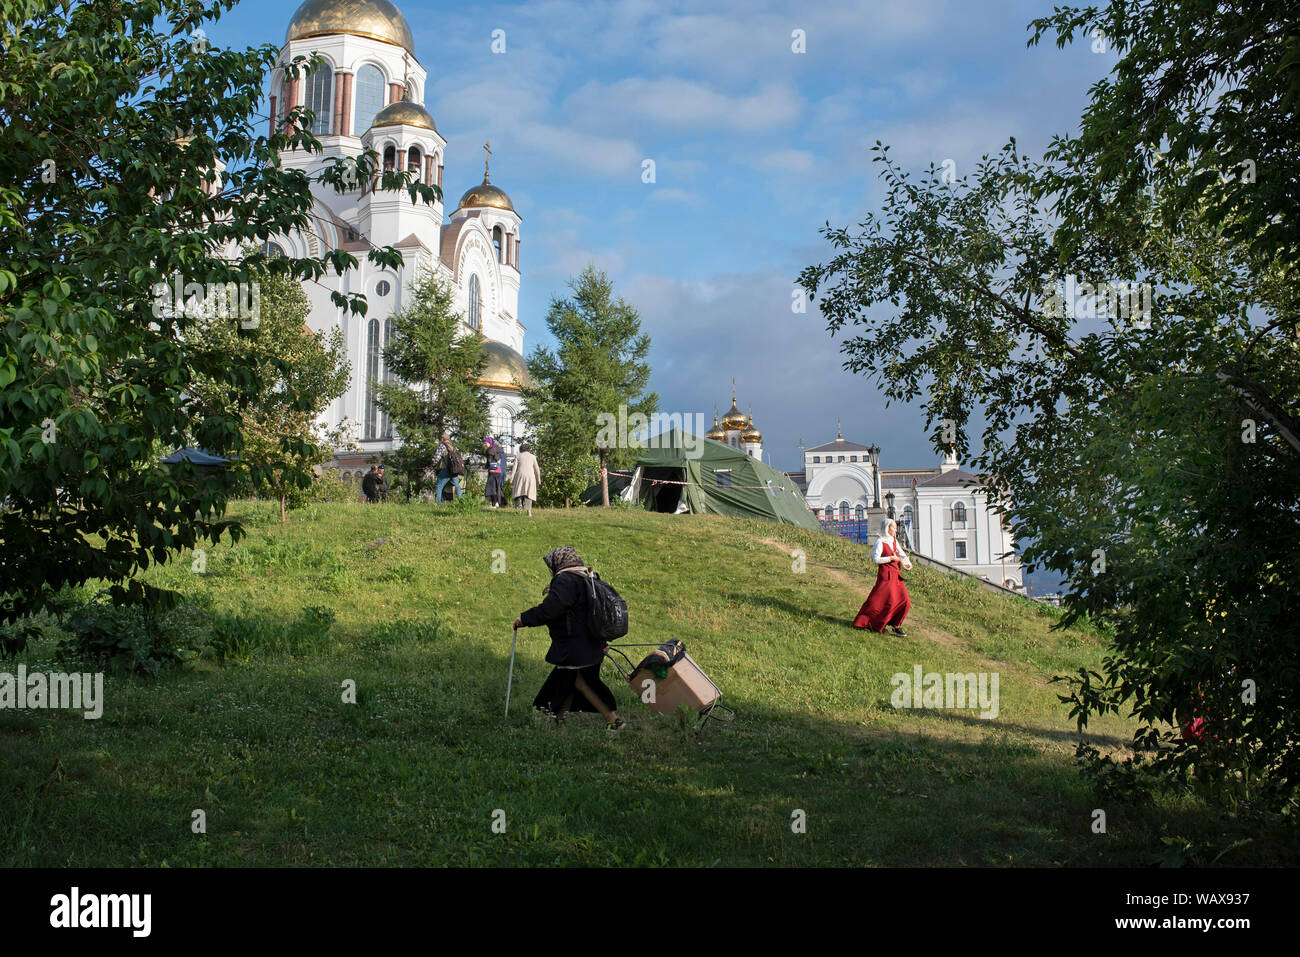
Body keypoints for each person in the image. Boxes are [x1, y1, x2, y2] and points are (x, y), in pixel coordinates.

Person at [513, 546, 625, 730]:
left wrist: (524, 619)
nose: (550, 570)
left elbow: (551, 609)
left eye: (550, 566)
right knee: (572, 681)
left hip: (575, 646)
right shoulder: (587, 578)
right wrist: (602, 642)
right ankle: (560, 720)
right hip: (590, 645)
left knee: (575, 681)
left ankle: (613, 720)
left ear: (558, 563)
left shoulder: (566, 580)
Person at [853, 518, 913, 635]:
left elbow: (902, 555)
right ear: (887, 528)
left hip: (896, 576)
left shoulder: (894, 541)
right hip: (885, 576)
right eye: (893, 528)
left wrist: (907, 564)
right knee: (884, 602)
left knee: (905, 601)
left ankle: (896, 625)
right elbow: (876, 559)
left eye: (896, 528)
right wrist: (891, 558)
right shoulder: (880, 542)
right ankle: (874, 623)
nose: (896, 530)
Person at [509, 441, 540, 516]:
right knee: (529, 493)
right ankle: (528, 512)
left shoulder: (518, 456)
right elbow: (537, 469)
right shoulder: (533, 456)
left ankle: (518, 509)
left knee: (518, 492)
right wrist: (538, 480)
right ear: (529, 449)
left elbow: (514, 468)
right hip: (530, 476)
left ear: (521, 449)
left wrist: (511, 478)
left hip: (519, 475)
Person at [431, 432, 461, 504]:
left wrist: (432, 465)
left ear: (442, 439)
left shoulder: (442, 446)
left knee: (439, 485)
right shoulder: (453, 446)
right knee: (457, 486)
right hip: (454, 470)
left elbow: (436, 458)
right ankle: (461, 502)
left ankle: (438, 503)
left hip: (446, 469)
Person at [483, 437, 506, 508]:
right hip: (498, 471)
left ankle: (494, 504)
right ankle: (498, 503)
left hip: (492, 471)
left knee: (491, 488)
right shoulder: (497, 449)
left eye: (486, 443)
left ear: (489, 442)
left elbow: (489, 461)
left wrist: (485, 466)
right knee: (497, 488)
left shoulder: (490, 450)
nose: (485, 444)